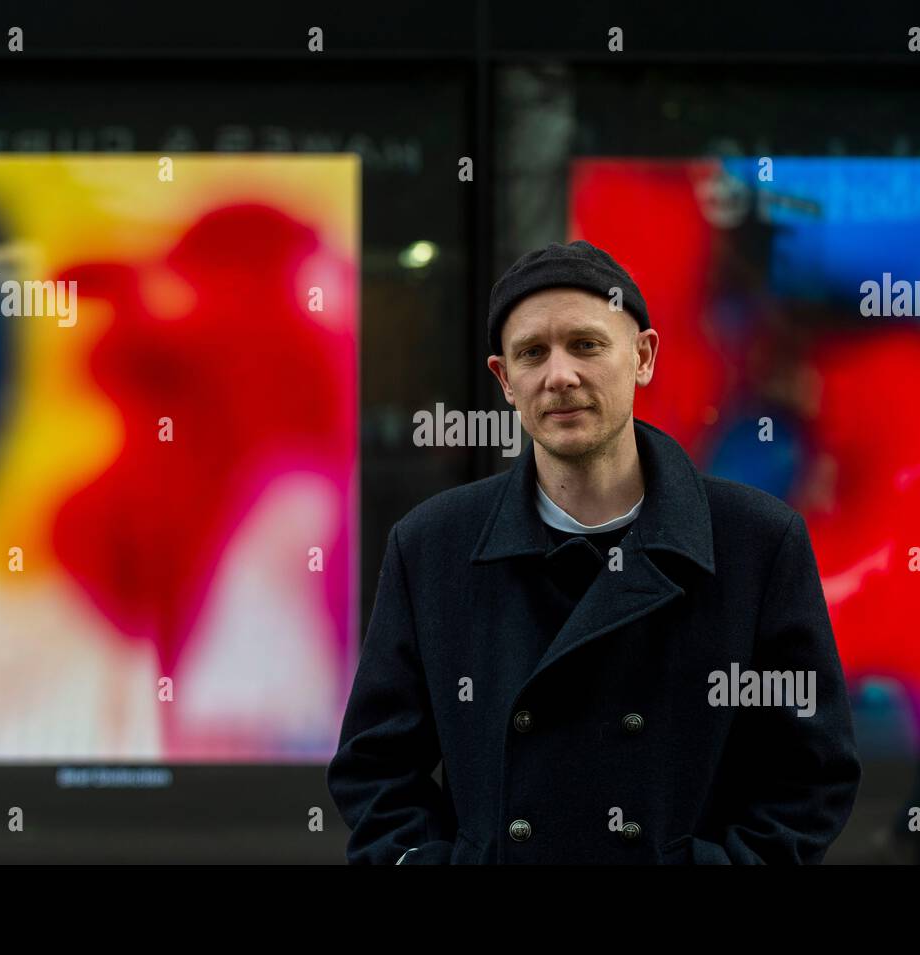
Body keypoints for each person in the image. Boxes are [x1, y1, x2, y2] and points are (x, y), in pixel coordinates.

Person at [326, 239, 861, 864]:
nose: (560, 376)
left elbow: (812, 772)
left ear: (644, 356)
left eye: (586, 344)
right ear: (504, 380)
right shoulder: (432, 545)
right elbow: (375, 769)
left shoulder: (756, 541)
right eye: (532, 353)